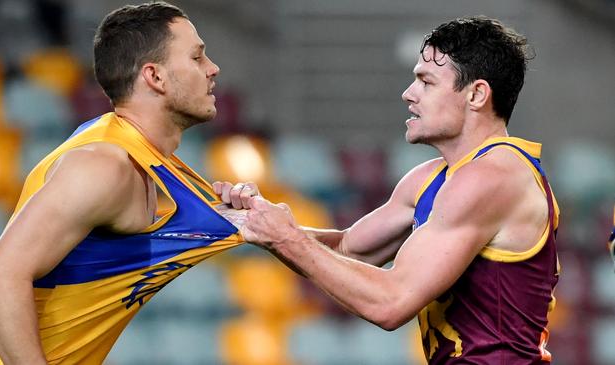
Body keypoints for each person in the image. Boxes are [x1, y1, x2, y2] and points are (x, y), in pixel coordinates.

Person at [226, 16, 560, 364]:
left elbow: (391, 303)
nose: (408, 94)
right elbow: (347, 251)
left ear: (476, 94)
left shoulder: (492, 177)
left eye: (425, 82)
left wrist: (285, 237)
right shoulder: (430, 178)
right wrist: (253, 221)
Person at [0, 2, 256, 364]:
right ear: (155, 77)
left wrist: (329, 239)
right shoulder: (104, 165)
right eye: (197, 57)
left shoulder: (146, 162)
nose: (213, 69)